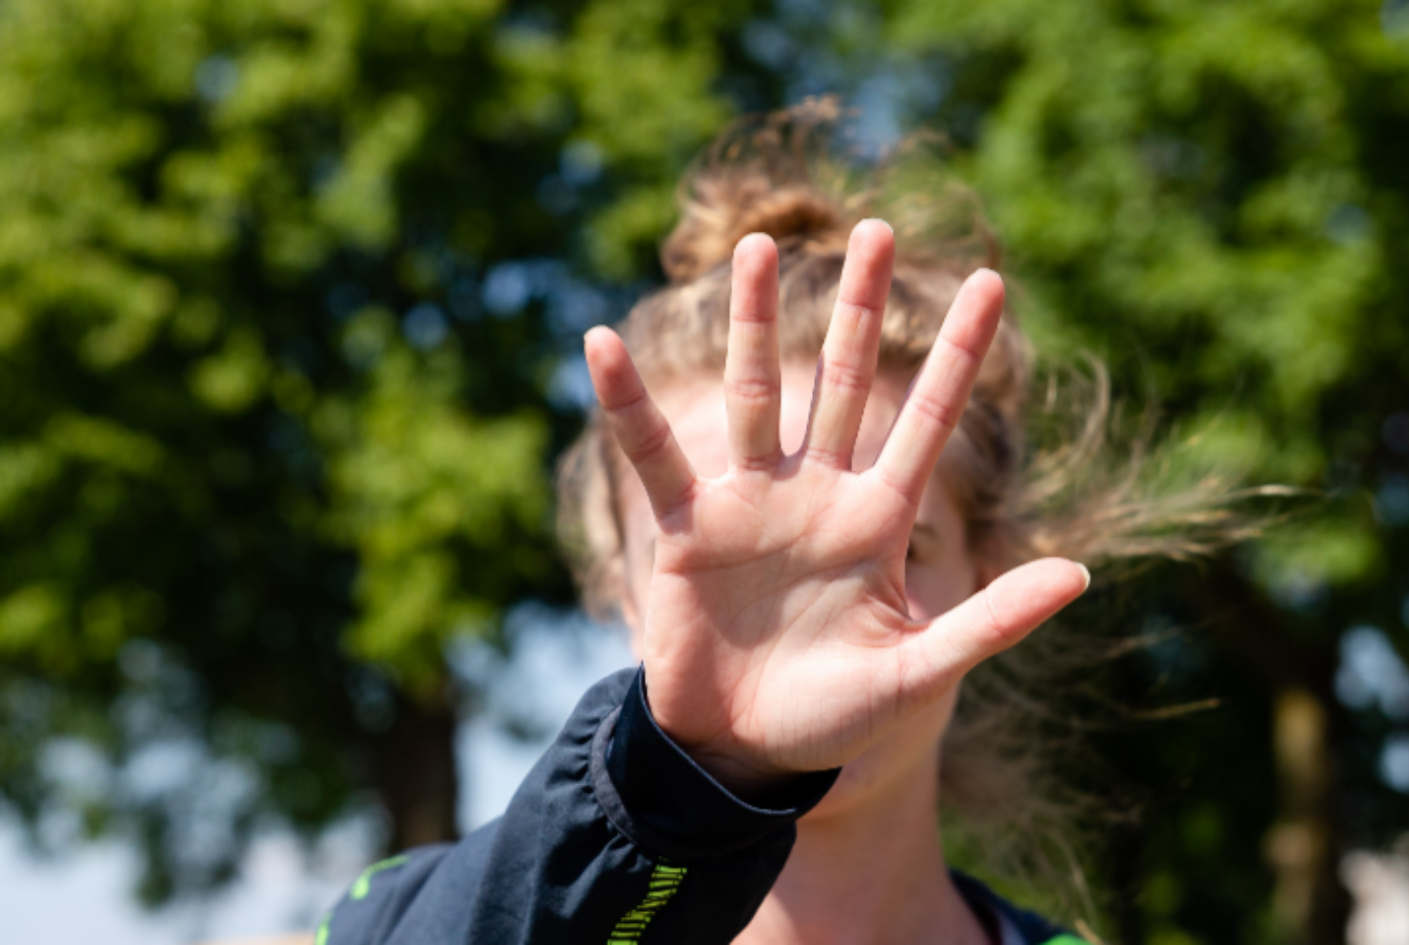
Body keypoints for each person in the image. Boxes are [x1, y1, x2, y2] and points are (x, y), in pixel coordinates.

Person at [305, 102, 1250, 945]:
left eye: (893, 549)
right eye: (710, 561)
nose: (806, 619)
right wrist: (679, 789)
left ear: (988, 569)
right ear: (622, 595)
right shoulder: (399, 918)